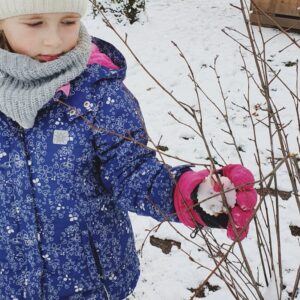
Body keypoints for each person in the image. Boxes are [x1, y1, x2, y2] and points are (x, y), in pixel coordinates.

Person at [0, 1, 257, 299]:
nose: (54, 39)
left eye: (69, 21)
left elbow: (132, 171)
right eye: (34, 23)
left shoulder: (99, 93)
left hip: (90, 283)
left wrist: (191, 196)